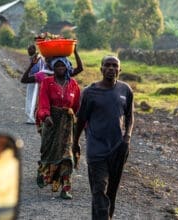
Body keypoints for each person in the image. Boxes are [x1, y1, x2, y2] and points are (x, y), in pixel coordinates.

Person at [73, 55, 134, 219]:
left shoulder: (126, 90)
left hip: (118, 149)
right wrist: (75, 142)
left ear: (120, 70)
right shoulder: (90, 92)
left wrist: (127, 137)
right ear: (101, 69)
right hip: (96, 150)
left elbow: (129, 117)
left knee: (111, 192)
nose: (111, 69)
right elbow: (81, 120)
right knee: (99, 191)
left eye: (115, 66)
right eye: (107, 65)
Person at [36, 57, 81, 200]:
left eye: (63, 66)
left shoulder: (73, 84)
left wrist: (79, 123)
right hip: (51, 123)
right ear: (53, 68)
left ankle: (66, 188)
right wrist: (46, 116)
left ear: (67, 67)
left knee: (67, 156)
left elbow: (76, 107)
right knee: (48, 151)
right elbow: (43, 102)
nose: (60, 68)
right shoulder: (47, 82)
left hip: (67, 124)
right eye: (57, 66)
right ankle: (44, 172)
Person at [21, 46, 83, 126]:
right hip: (46, 113)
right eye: (47, 59)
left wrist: (75, 51)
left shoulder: (65, 75)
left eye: (50, 59)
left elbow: (80, 68)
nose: (48, 61)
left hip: (65, 117)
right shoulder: (43, 75)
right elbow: (24, 80)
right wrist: (31, 65)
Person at [20, 44, 45, 124]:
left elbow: (40, 69)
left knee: (33, 98)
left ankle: (32, 117)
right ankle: (31, 116)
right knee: (31, 97)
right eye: (28, 50)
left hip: (36, 80)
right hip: (33, 79)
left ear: (34, 49)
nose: (28, 51)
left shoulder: (37, 57)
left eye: (30, 49)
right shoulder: (34, 57)